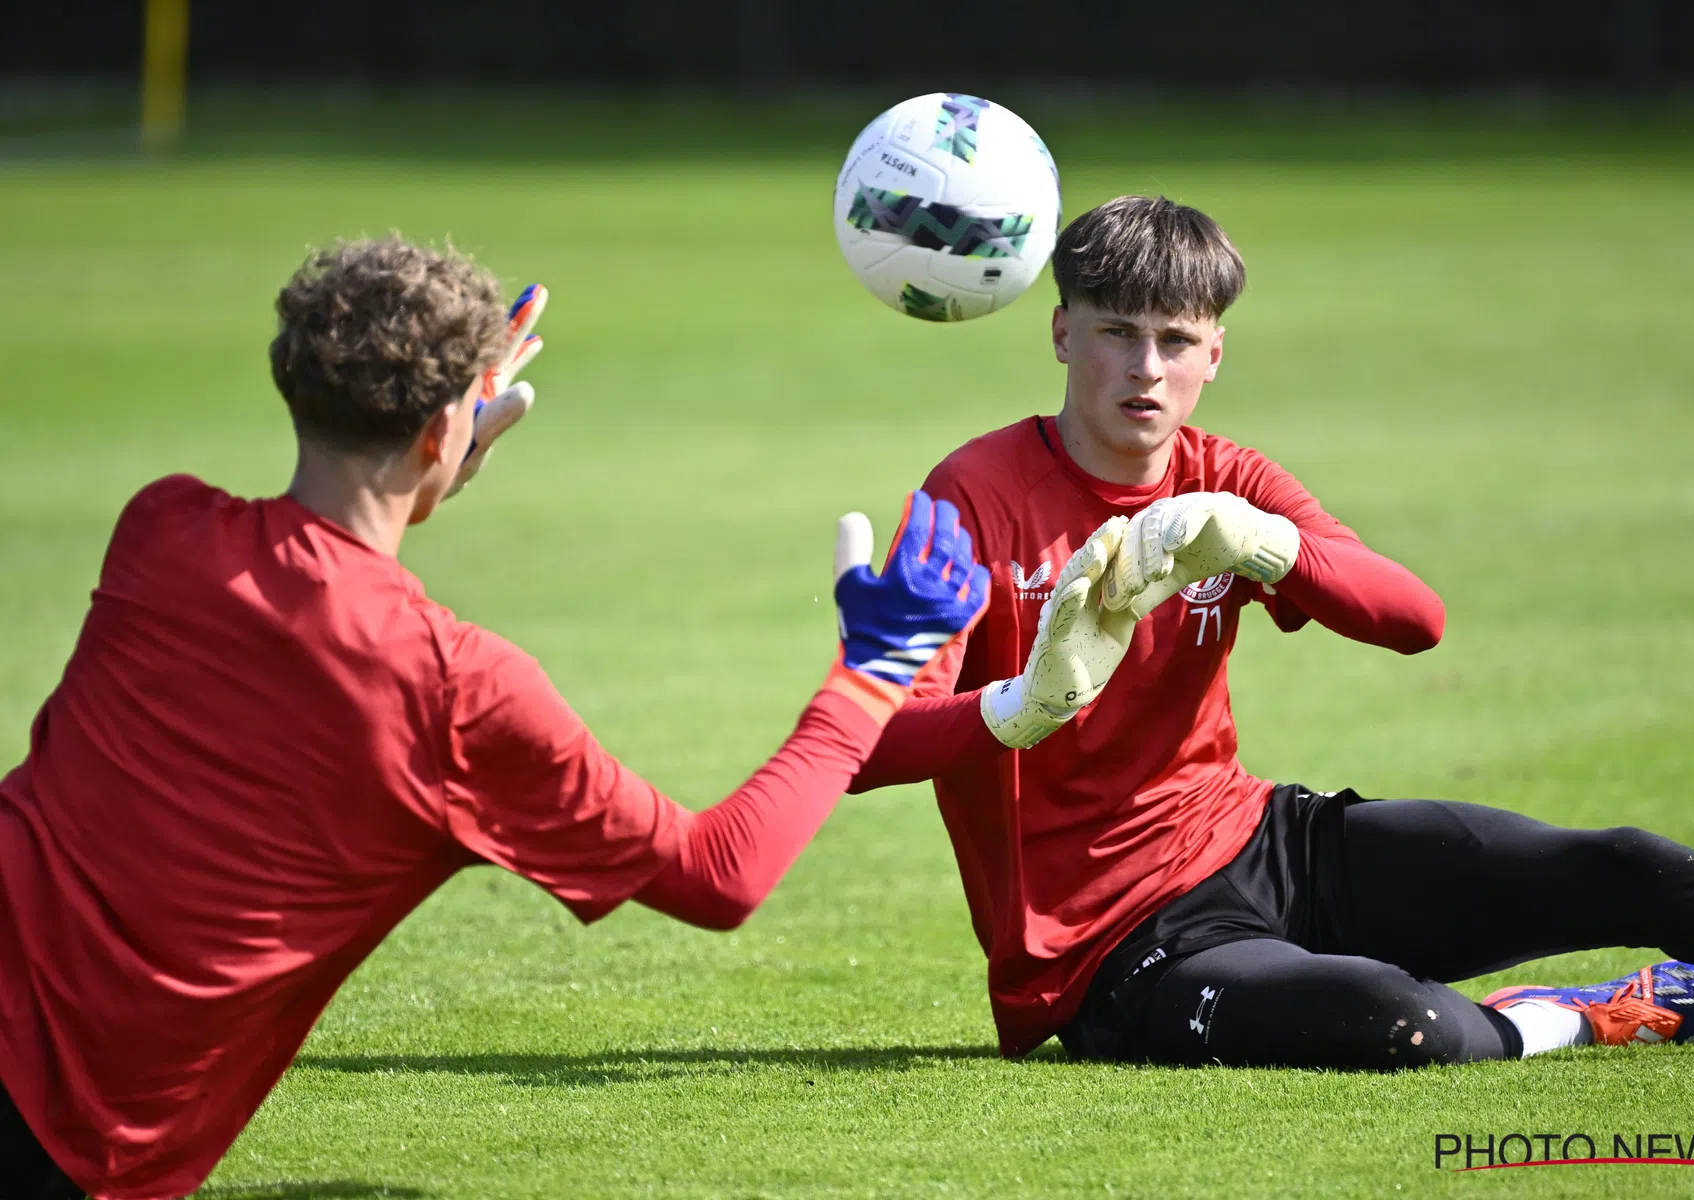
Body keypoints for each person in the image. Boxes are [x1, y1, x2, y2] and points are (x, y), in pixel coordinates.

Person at [0, 237, 990, 1200]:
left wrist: (439, 432)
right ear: (443, 432)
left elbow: (328, 559)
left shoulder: (162, 529)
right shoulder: (456, 691)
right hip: (63, 1134)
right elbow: (720, 876)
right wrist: (875, 672)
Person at [845, 194, 1694, 1070]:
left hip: (1267, 847)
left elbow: (1413, 618)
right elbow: (861, 747)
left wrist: (1266, 544)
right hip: (1111, 949)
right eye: (1116, 333)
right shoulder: (969, 499)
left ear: (1213, 354)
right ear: (1062, 334)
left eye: (1176, 340)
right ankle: (1579, 1016)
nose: (1146, 368)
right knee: (1401, 1021)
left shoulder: (1230, 480)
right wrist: (1020, 707)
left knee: (1626, 864)